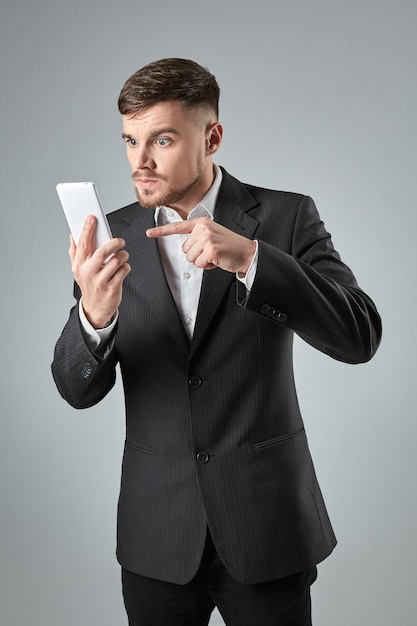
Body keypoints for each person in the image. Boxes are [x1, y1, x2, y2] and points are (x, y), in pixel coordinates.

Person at [52, 58, 382, 626]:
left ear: (212, 136)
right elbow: (74, 389)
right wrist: (94, 315)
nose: (141, 161)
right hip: (156, 532)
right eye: (130, 140)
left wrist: (255, 261)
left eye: (161, 139)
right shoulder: (111, 233)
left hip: (267, 525)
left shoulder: (285, 217)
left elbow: (360, 334)